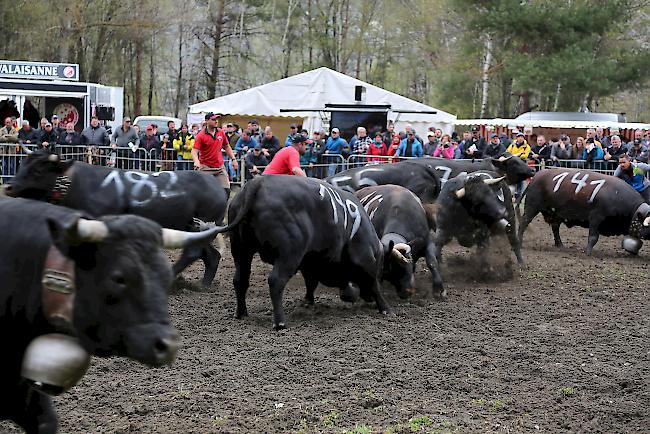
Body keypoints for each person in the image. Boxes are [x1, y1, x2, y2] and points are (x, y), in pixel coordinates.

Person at [192, 112, 238, 196]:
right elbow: (194, 150)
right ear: (206, 121)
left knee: (226, 191)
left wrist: (233, 159)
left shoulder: (221, 132)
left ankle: (222, 208)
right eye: (213, 119)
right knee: (200, 192)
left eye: (216, 119)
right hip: (205, 167)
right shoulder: (201, 135)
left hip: (219, 167)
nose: (216, 121)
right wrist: (196, 161)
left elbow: (227, 146)